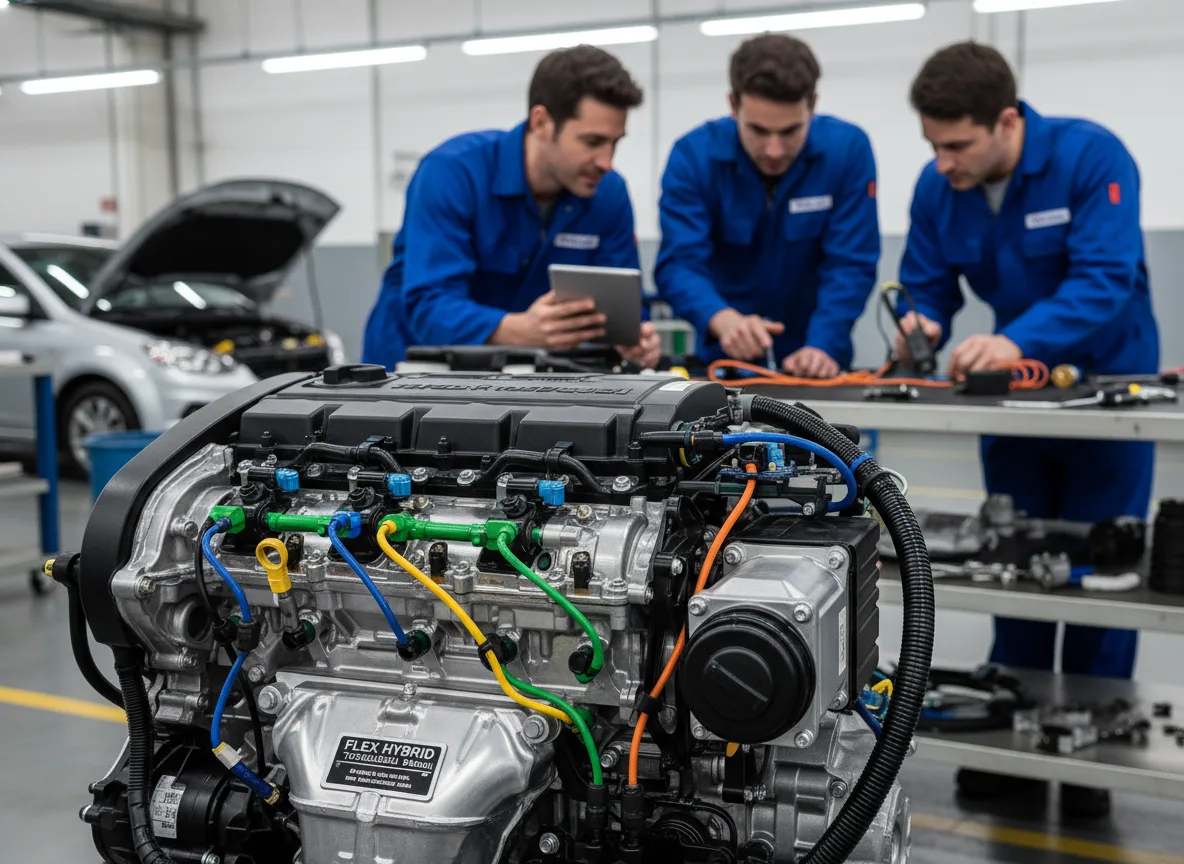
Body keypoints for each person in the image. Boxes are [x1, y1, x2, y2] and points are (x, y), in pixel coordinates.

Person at [898, 41, 1159, 817]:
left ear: (1006, 122)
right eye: (932, 146)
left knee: (1101, 578)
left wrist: (1017, 340)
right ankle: (1013, 743)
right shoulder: (939, 184)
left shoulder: (1089, 157)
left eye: (957, 145)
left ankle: (1092, 757)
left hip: (1105, 403)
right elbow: (927, 282)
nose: (943, 162)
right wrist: (920, 324)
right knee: (1010, 567)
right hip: (1008, 407)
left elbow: (1105, 281)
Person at [362, 45, 661, 370]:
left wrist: (634, 341)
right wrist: (520, 330)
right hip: (410, 375)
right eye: (592, 142)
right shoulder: (452, 174)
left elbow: (623, 310)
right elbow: (430, 308)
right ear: (542, 122)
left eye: (615, 143)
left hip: (524, 374)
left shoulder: (609, 194)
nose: (606, 162)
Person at [654, 34, 879, 376]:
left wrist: (822, 344)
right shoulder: (692, 159)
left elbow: (851, 264)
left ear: (813, 104)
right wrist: (722, 319)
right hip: (725, 364)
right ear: (733, 105)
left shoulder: (847, 153)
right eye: (758, 130)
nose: (774, 150)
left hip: (816, 364)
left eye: (790, 131)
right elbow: (679, 265)